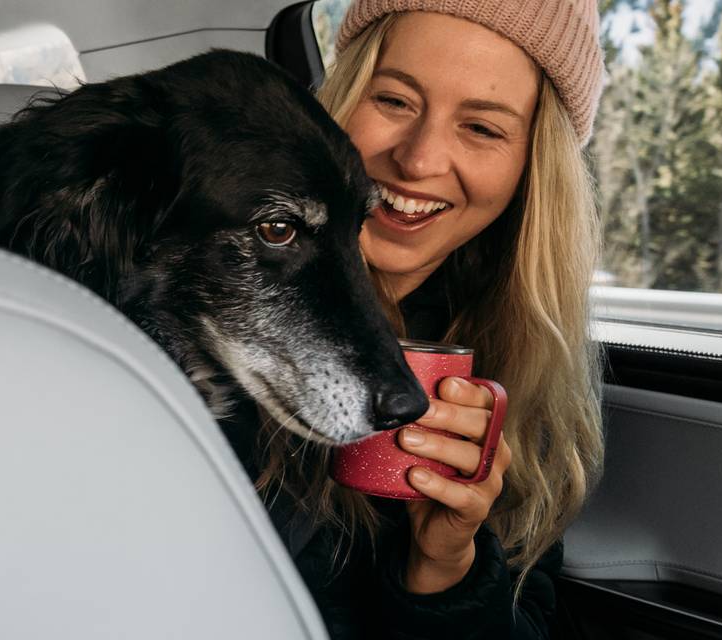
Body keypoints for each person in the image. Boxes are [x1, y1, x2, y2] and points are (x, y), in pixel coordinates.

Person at [219, 1, 607, 637]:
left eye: (482, 128)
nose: (420, 159)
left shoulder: (517, 356)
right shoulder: (203, 289)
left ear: (531, 168)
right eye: (395, 101)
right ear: (340, 101)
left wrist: (445, 565)